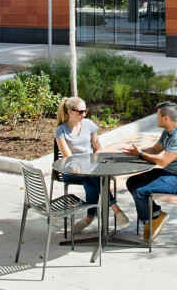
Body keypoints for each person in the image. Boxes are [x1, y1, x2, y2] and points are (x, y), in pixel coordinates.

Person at [122, 101, 177, 241]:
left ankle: (150, 221)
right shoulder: (168, 131)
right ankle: (156, 214)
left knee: (140, 191)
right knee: (132, 182)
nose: (156, 118)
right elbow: (155, 150)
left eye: (157, 115)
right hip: (170, 173)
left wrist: (140, 155)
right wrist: (136, 151)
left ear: (166, 118)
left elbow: (163, 161)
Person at [54, 97, 130, 233]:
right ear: (69, 111)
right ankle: (115, 209)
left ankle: (89, 217)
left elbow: (98, 148)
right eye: (80, 112)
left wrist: (96, 162)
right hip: (71, 171)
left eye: (85, 111)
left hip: (90, 169)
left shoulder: (89, 125)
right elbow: (68, 158)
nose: (84, 114)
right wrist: (87, 167)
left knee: (91, 181)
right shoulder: (61, 131)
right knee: (95, 178)